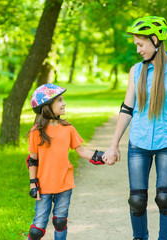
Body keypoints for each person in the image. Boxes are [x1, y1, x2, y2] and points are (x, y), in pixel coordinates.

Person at [102, 16, 167, 240]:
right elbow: (127, 107)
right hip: (138, 142)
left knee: (165, 198)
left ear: (155, 40)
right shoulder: (136, 71)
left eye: (140, 44)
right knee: (137, 201)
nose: (138, 50)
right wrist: (113, 145)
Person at [26, 83, 105, 240]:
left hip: (64, 183)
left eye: (63, 100)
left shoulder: (68, 128)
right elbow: (32, 160)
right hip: (44, 185)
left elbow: (82, 151)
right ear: (47, 106)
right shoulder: (36, 132)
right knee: (37, 230)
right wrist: (33, 184)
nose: (64, 103)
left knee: (60, 221)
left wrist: (101, 156)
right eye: (59, 100)